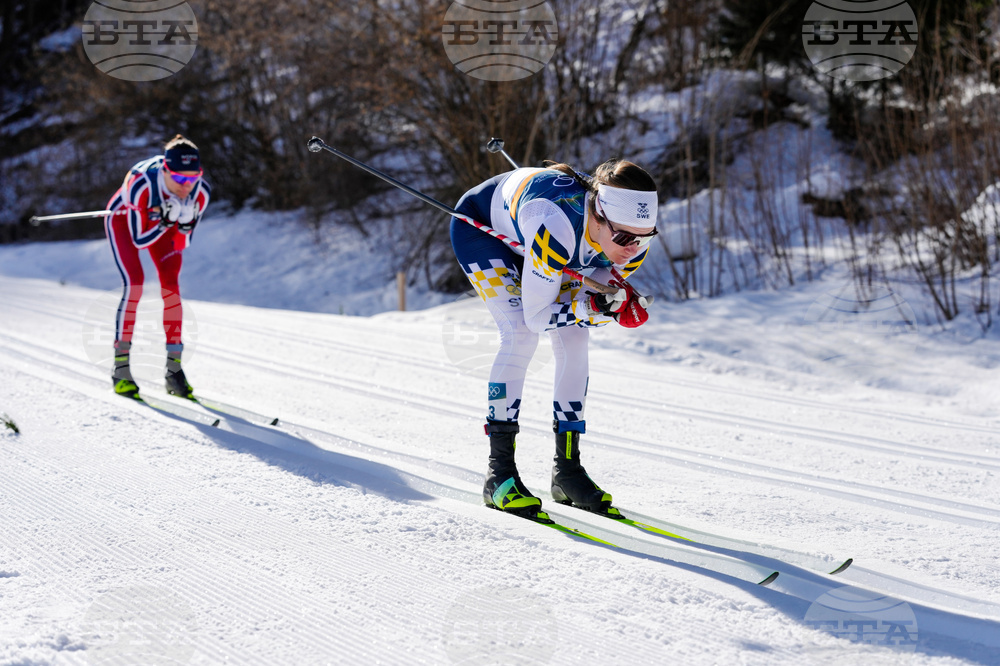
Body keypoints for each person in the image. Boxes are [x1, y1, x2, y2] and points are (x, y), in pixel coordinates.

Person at [449, 159, 658, 523]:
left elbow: (598, 282)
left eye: (645, 237)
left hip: (554, 243)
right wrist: (595, 306)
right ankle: (499, 475)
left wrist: (612, 302)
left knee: (576, 338)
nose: (633, 249)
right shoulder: (554, 225)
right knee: (521, 333)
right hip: (483, 231)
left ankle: (568, 471)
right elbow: (537, 315)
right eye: (624, 237)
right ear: (598, 216)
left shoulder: (630, 238)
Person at [105, 134, 211, 400]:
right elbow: (140, 239)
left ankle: (173, 370)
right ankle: (121, 368)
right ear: (165, 170)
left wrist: (183, 224)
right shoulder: (142, 185)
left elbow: (182, 241)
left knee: (171, 287)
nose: (186, 186)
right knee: (135, 285)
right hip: (125, 220)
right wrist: (164, 219)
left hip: (163, 223)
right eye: (179, 179)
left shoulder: (201, 192)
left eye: (193, 177)